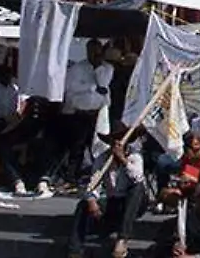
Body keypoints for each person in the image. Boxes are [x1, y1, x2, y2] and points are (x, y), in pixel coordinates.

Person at [67, 121, 146, 258]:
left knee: (137, 188)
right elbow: (93, 183)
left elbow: (138, 178)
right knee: (83, 205)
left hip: (133, 202)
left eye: (120, 138)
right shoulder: (102, 159)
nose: (116, 142)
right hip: (114, 201)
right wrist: (91, 199)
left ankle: (122, 239)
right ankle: (75, 251)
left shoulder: (135, 156)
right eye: (114, 139)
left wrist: (123, 159)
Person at [62, 40, 113, 182]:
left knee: (98, 146)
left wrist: (98, 67)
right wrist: (90, 87)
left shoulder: (107, 68)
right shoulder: (77, 69)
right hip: (80, 113)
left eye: (97, 51)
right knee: (77, 146)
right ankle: (71, 176)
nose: (94, 54)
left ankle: (97, 177)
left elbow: (103, 85)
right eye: (92, 51)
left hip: (98, 114)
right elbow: (70, 87)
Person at [156, 131, 200, 210]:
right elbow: (183, 176)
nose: (194, 153)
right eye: (190, 150)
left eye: (196, 150)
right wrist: (181, 184)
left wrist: (192, 179)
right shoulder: (187, 159)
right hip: (190, 190)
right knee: (165, 193)